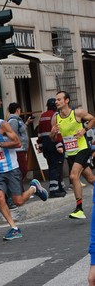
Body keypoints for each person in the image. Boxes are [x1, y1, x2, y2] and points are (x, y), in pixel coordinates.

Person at [0, 100, 48, 241]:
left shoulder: (3, 125)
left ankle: (34, 188)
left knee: (18, 201)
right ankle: (14, 228)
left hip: (11, 169)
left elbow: (18, 142)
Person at [50, 91, 95, 219]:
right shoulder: (55, 118)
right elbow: (53, 139)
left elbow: (93, 119)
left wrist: (84, 129)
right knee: (91, 179)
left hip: (83, 148)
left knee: (73, 176)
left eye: (59, 99)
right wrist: (52, 133)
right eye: (56, 100)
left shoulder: (77, 113)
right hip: (70, 153)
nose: (56, 102)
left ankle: (79, 209)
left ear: (67, 100)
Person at [37, 98, 66, 198]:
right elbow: (57, 131)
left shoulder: (42, 116)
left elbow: (39, 132)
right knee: (56, 167)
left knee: (51, 167)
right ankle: (54, 189)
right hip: (54, 145)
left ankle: (59, 186)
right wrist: (60, 145)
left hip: (46, 146)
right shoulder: (55, 115)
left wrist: (40, 146)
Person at [7, 102, 29, 190]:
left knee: (21, 170)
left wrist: (26, 123)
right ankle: (18, 189)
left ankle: (20, 189)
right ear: (17, 110)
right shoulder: (13, 120)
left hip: (21, 148)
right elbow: (13, 134)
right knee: (22, 169)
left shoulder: (17, 120)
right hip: (18, 149)